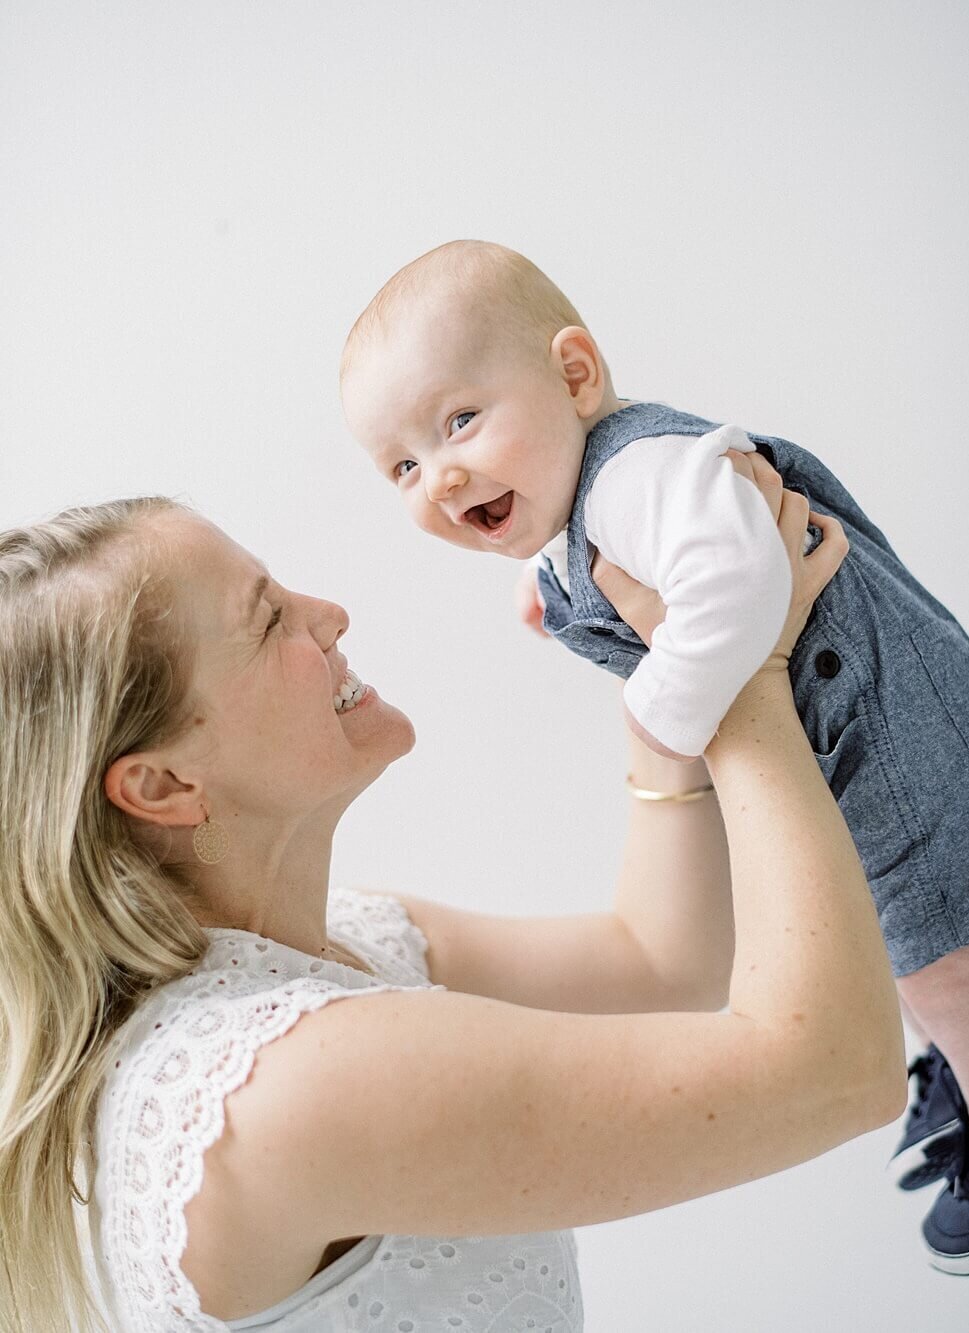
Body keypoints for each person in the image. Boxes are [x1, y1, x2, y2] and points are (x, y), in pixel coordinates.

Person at [0, 483, 903, 1333]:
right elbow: (837, 1069)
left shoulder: (344, 947)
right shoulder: (284, 1082)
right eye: (269, 617)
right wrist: (742, 660)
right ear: (164, 784)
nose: (329, 614)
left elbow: (660, 961)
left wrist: (667, 692)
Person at [340, 240, 969, 1272]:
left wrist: (657, 715)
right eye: (405, 466)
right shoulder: (591, 507)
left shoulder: (637, 474)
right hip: (861, 755)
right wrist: (552, 592)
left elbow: (738, 586)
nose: (442, 473)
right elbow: (646, 567)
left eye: (460, 419)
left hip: (908, 746)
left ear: (573, 375)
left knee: (954, 957)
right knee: (918, 946)